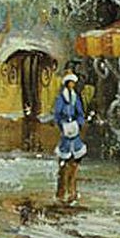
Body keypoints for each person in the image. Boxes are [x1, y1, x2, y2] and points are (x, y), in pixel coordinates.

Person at [53, 71, 87, 205]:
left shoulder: (75, 97)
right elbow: (57, 114)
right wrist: (62, 125)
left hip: (74, 129)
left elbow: (80, 112)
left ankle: (72, 191)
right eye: (70, 83)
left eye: (73, 83)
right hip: (65, 129)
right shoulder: (61, 98)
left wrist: (79, 123)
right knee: (63, 163)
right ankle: (61, 192)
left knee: (75, 163)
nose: (72, 85)